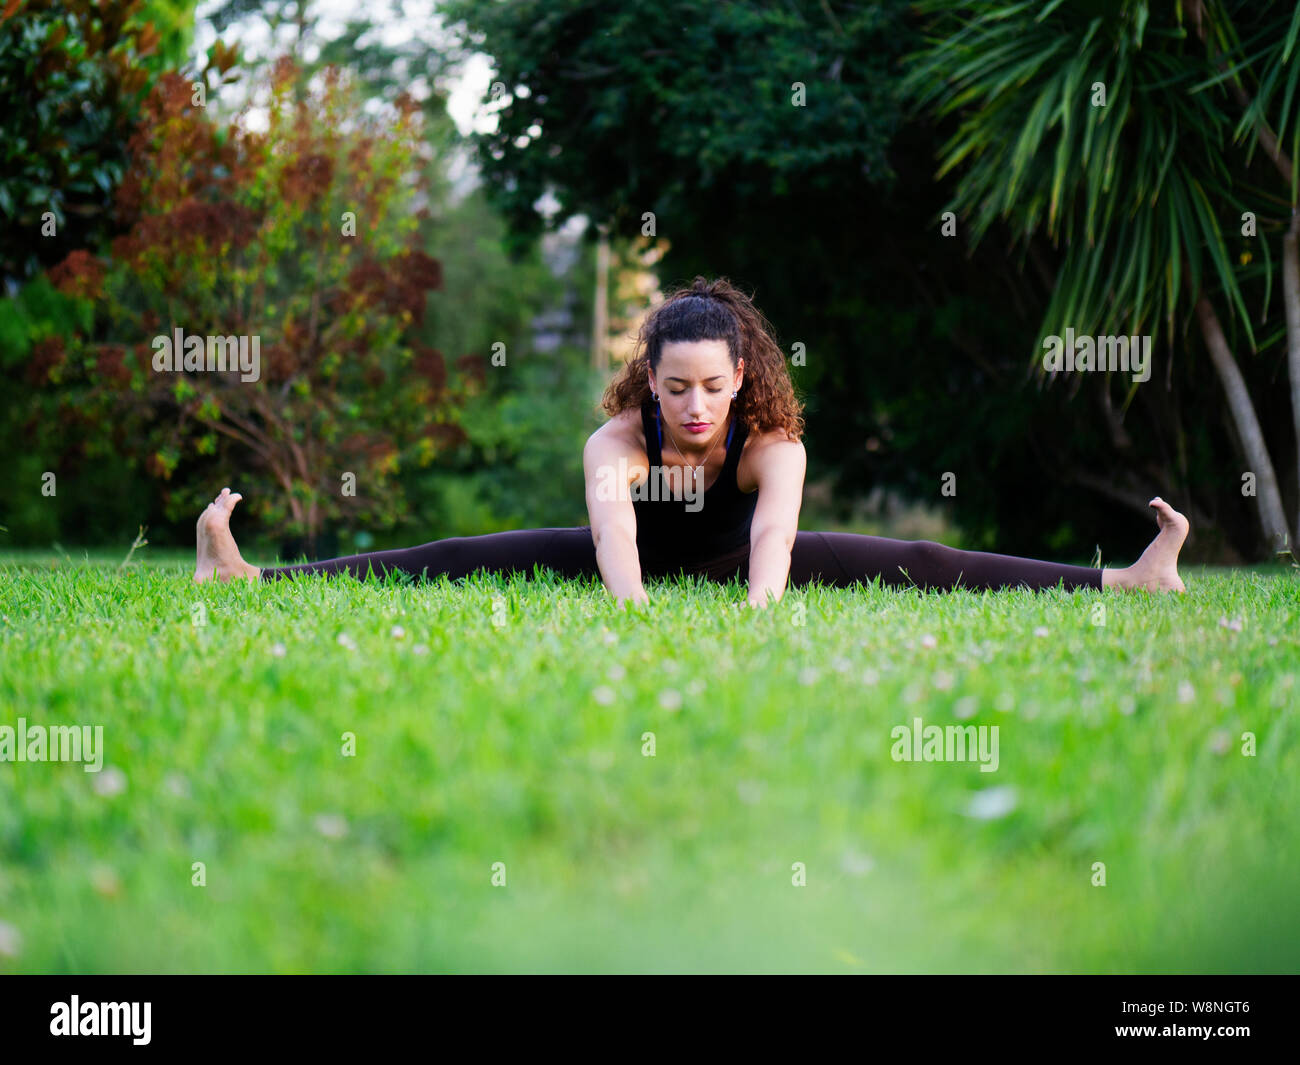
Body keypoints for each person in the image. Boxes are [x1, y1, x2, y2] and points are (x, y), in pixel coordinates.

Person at [194, 276, 1189, 607]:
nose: (698, 403)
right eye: (678, 387)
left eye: (715, 385)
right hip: (634, 555)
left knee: (922, 558)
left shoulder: (769, 442)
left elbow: (776, 539)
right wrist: (628, 612)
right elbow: (612, 537)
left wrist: (759, 613)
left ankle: (1130, 581)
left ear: (741, 377)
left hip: (731, 556)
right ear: (651, 383)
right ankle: (248, 579)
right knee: (455, 557)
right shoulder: (617, 440)